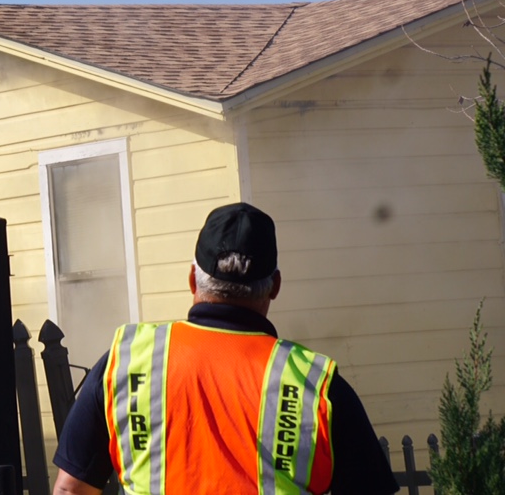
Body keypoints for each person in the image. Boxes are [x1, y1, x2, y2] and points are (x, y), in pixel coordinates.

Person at [52, 202, 398, 495]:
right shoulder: (317, 384)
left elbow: (71, 489)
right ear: (274, 286)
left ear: (192, 278)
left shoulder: (126, 360)